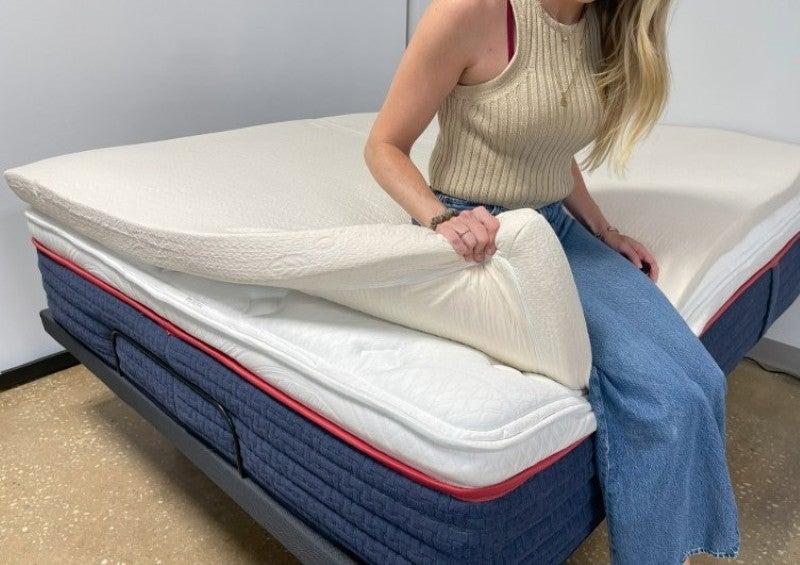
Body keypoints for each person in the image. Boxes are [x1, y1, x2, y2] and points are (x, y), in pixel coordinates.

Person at [363, 0, 740, 563]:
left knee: (703, 381)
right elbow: (383, 145)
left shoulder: (598, 23)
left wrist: (603, 228)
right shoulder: (472, 11)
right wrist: (442, 219)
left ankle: (686, 547)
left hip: (554, 225)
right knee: (662, 400)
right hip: (487, 233)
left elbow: (550, 148)